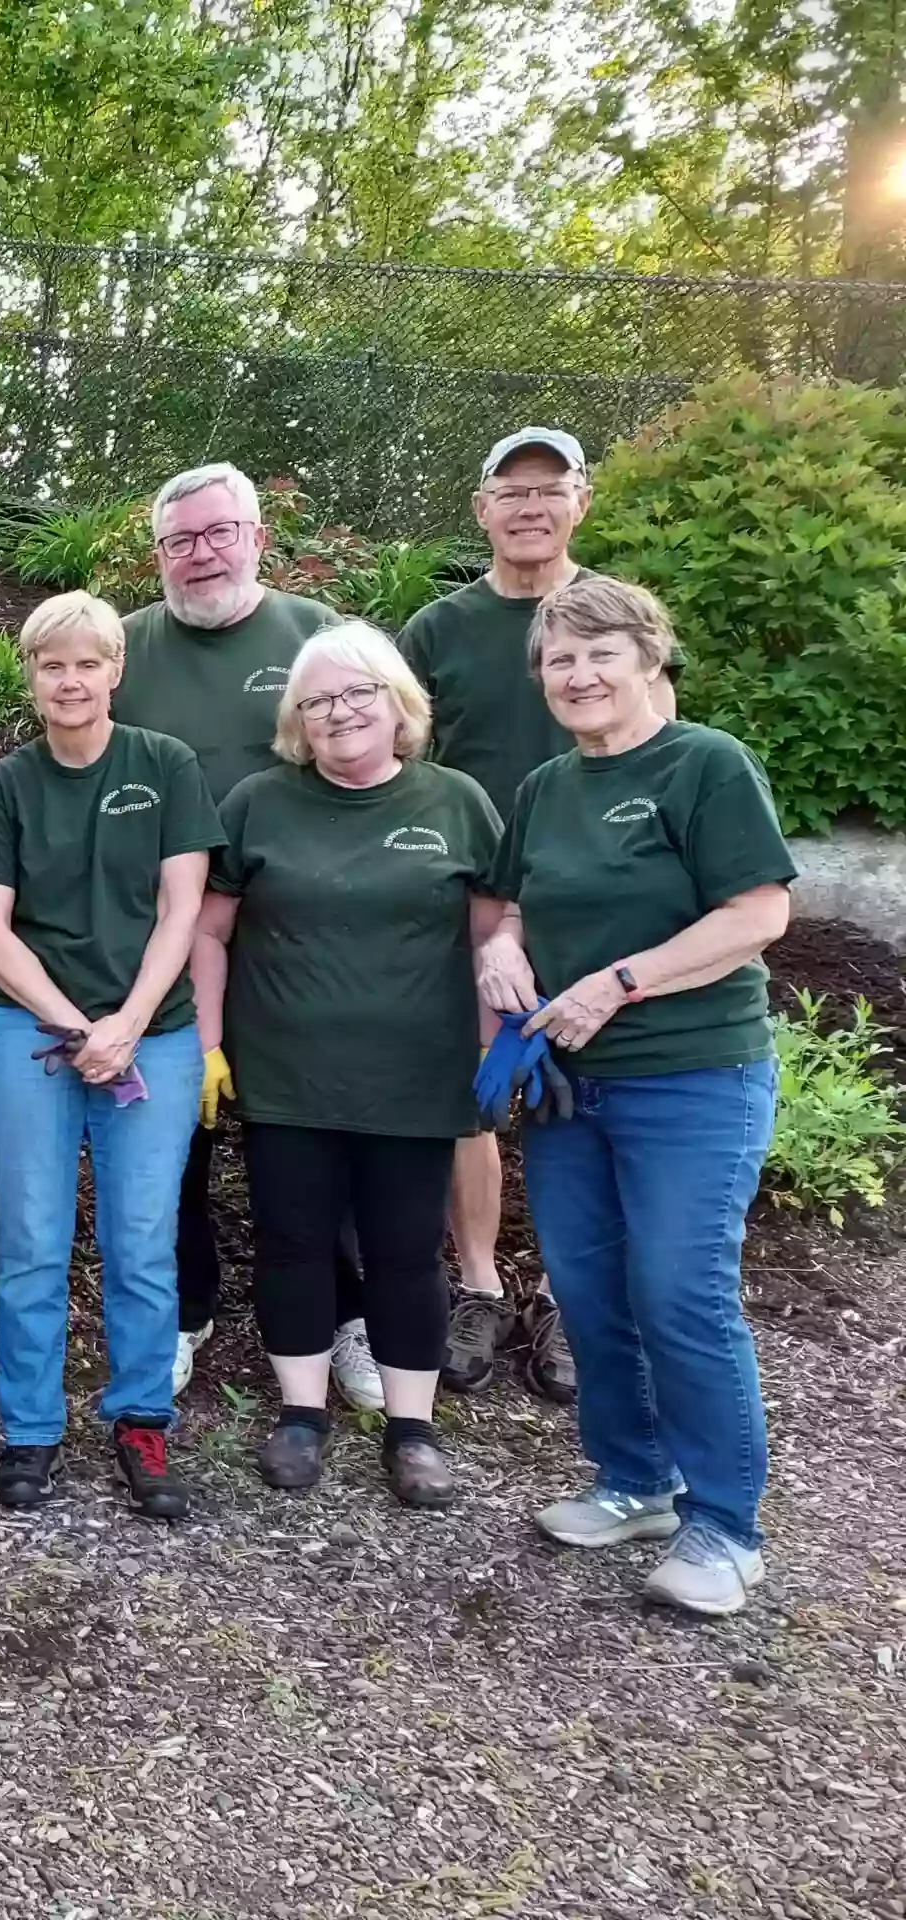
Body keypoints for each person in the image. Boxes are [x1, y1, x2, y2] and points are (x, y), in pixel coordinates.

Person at [478, 575, 793, 1618]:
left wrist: (621, 982)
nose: (575, 675)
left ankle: (725, 1527)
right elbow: (519, 907)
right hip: (574, 1088)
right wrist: (503, 955)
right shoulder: (544, 789)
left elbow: (755, 915)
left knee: (680, 1294)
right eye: (557, 660)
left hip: (692, 1077)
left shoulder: (705, 765)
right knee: (591, 1291)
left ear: (648, 655)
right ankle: (632, 1482)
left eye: (596, 652)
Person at [192, 623, 504, 1508]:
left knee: (406, 1250)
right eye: (319, 700)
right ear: (297, 719)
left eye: (358, 692)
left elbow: (493, 930)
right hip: (286, 1073)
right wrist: (210, 1044)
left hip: (417, 1077)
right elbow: (211, 931)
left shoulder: (457, 803)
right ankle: (301, 1415)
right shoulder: (258, 802)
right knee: (291, 1243)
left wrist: (491, 1042)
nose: (340, 712)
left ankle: (413, 1427)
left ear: (398, 702)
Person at [399, 427, 676, 1403]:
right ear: (480, 509)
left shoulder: (612, 623)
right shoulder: (436, 632)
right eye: (508, 489)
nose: (528, 505)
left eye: (547, 488)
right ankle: (477, 1286)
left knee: (583, 1096)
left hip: (599, 901)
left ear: (579, 502)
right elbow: (408, 765)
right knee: (477, 1093)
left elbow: (662, 751)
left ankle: (565, 1294)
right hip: (475, 903)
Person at [0, 593, 219, 1516]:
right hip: (28, 1034)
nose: (69, 680)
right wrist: (76, 1026)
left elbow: (182, 909)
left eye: (87, 663)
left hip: (156, 1031)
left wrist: (127, 1026)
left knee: (142, 1241)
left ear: (116, 670)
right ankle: (29, 1429)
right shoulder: (6, 787)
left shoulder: (166, 766)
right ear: (29, 678)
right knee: (30, 1240)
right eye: (50, 665)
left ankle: (142, 1420)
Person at [112, 462, 364, 1405]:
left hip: (298, 941)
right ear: (158, 555)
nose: (202, 554)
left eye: (220, 533)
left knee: (309, 1135)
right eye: (181, 540)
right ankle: (184, 1312)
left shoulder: (319, 641)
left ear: (259, 536)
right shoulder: (126, 648)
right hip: (161, 943)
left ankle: (341, 1317)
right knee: (170, 1144)